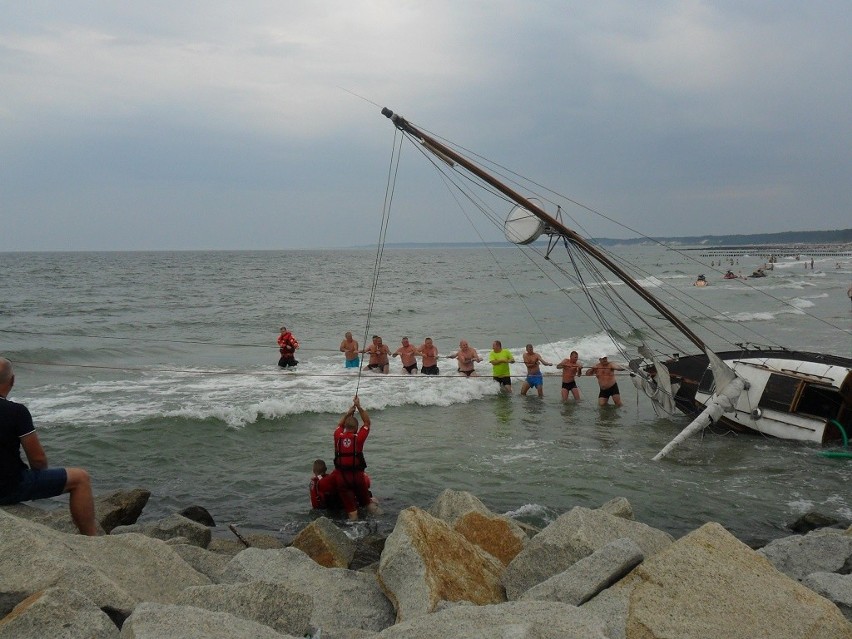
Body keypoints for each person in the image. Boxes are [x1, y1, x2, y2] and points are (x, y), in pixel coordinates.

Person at [0, 357, 98, 535]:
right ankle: (93, 540)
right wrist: (39, 476)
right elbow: (37, 459)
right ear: (12, 380)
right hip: (8, 487)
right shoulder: (16, 412)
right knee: (80, 478)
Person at [332, 396, 378, 520]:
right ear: (356, 429)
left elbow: (339, 424)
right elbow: (367, 422)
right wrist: (358, 406)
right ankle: (381, 521)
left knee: (352, 512)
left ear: (345, 427)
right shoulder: (358, 438)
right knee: (368, 504)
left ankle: (353, 533)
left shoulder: (337, 435)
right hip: (357, 477)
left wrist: (348, 413)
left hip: (342, 478)